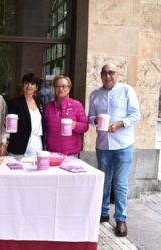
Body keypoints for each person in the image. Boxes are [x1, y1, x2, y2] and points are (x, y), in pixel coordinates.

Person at [88, 63, 141, 237]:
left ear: (117, 74)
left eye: (111, 72)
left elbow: (136, 114)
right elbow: (91, 117)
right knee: (104, 181)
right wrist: (97, 121)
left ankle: (120, 219)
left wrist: (119, 124)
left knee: (120, 183)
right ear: (101, 75)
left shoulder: (127, 90)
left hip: (123, 144)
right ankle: (103, 213)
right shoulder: (95, 94)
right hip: (103, 145)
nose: (107, 76)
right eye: (104, 73)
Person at [0, 74, 45, 157]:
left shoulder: (39, 101)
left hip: (37, 144)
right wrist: (4, 142)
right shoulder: (14, 103)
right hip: (19, 145)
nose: (29, 86)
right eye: (26, 83)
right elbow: (8, 125)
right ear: (22, 85)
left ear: (36, 87)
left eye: (32, 84)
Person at [44, 75, 88, 155]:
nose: (60, 89)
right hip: (52, 152)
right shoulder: (48, 107)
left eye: (63, 86)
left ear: (69, 89)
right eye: (57, 86)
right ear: (54, 88)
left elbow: (85, 126)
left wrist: (75, 125)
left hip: (71, 153)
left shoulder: (76, 105)